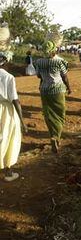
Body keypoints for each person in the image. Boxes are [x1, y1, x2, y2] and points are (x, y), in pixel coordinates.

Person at [35, 41, 71, 153]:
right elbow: (64, 76)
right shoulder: (59, 61)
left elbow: (38, 75)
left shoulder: (39, 62)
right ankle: (56, 137)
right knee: (60, 114)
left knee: (48, 114)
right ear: (54, 49)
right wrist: (69, 87)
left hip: (44, 90)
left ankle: (52, 135)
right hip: (57, 90)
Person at [0, 51, 27, 181]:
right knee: (8, 137)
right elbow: (15, 100)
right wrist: (22, 121)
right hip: (6, 111)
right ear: (6, 61)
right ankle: (8, 172)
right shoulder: (8, 77)